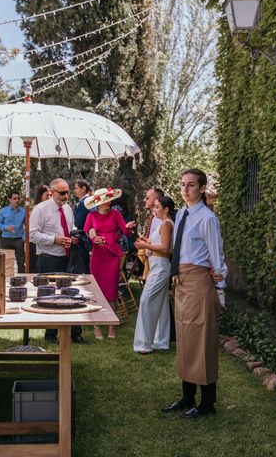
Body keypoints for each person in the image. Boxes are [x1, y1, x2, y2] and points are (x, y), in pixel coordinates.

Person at [161, 168, 227, 419]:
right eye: (182, 185)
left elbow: (217, 255)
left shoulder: (208, 219)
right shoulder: (181, 215)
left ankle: (207, 403)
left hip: (199, 282)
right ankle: (187, 396)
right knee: (186, 341)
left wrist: (221, 290)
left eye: (191, 185)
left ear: (201, 188)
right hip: (182, 282)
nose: (185, 189)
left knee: (202, 341)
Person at [29, 178, 84, 344]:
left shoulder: (67, 208)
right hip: (49, 258)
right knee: (51, 296)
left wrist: (74, 237)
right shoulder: (40, 209)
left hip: (68, 257)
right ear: (52, 192)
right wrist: (55, 239)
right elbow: (32, 235)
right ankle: (50, 335)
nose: (66, 196)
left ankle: (75, 333)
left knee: (71, 293)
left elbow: (70, 227)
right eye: (62, 193)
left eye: (67, 192)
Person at [83, 188, 136, 340]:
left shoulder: (116, 214)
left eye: (109, 200)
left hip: (112, 256)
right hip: (98, 257)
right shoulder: (91, 215)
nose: (109, 203)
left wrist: (128, 227)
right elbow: (89, 232)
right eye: (106, 201)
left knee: (111, 292)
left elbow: (125, 232)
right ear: (98, 203)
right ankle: (96, 326)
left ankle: (111, 325)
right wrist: (94, 239)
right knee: (96, 291)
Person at [133, 195, 174, 354]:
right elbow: (157, 243)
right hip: (158, 265)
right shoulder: (164, 224)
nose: (154, 210)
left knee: (146, 301)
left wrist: (144, 244)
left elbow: (165, 248)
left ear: (166, 209)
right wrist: (146, 242)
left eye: (157, 207)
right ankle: (161, 341)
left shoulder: (166, 224)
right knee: (162, 304)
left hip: (160, 266)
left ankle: (144, 344)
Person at [0, 191, 26, 272]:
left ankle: (22, 280)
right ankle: (5, 280)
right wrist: (6, 227)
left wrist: (24, 238)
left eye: (18, 198)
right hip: (6, 239)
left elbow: (27, 226)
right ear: (10, 200)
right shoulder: (3, 211)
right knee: (6, 262)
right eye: (14, 198)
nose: (17, 200)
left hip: (19, 239)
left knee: (21, 262)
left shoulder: (24, 211)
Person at [30, 185, 51, 273]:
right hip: (35, 242)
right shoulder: (37, 208)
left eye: (50, 195)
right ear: (40, 196)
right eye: (47, 195)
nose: (49, 197)